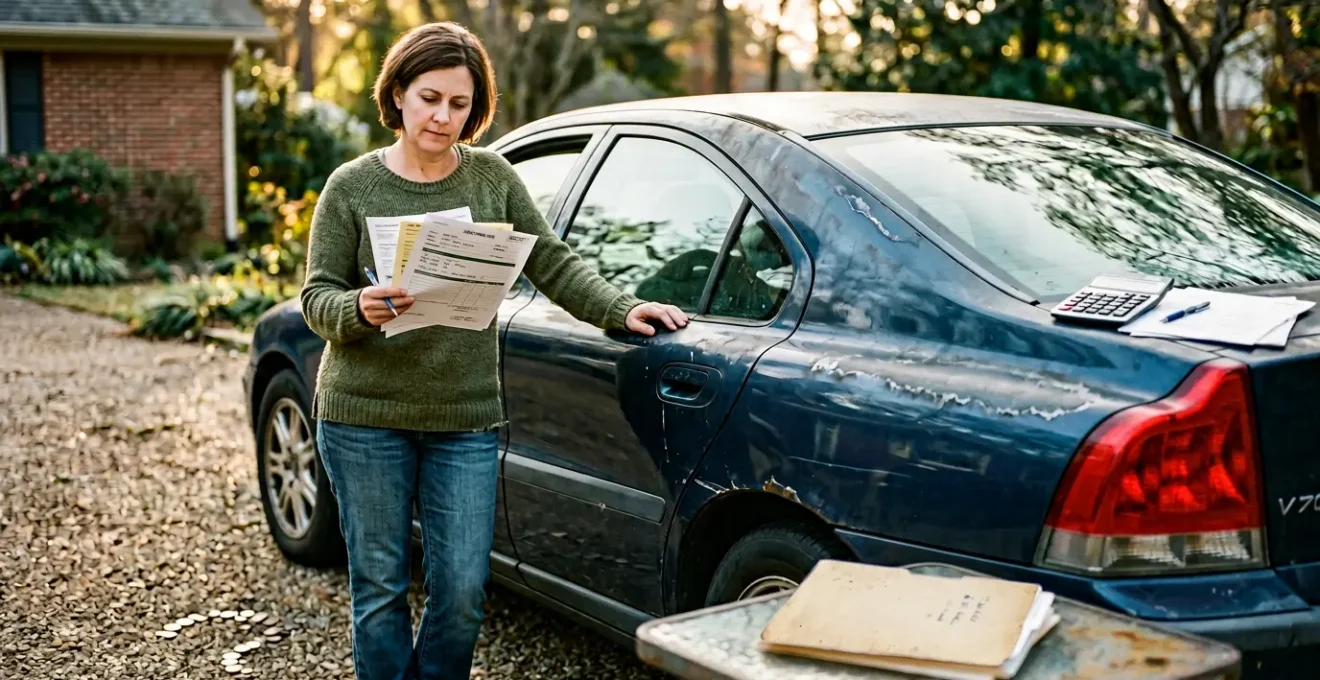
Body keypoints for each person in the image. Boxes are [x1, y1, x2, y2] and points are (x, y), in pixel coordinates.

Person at [299, 21, 689, 680]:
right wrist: (357, 309)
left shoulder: (491, 180)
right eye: (429, 98)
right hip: (363, 417)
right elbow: (316, 299)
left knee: (459, 595)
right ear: (397, 94)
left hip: (464, 419)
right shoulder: (351, 187)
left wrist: (622, 307)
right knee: (381, 592)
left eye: (459, 103)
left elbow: (555, 263)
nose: (443, 117)